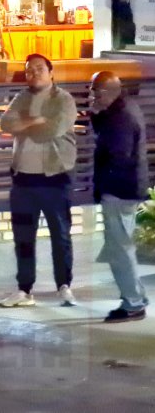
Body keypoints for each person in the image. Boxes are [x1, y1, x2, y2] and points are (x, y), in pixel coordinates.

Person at [0, 54, 78, 308]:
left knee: (60, 235)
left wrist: (25, 124)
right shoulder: (22, 97)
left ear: (51, 72)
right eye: (29, 70)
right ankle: (24, 289)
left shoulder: (63, 99)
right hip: (23, 179)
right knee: (23, 236)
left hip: (55, 177)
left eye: (39, 69)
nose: (34, 73)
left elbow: (52, 131)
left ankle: (64, 286)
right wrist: (36, 120)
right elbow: (5, 122)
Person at [89, 71, 149, 323]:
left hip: (119, 190)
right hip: (125, 188)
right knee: (121, 245)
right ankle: (136, 298)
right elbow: (107, 132)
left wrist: (104, 183)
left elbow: (118, 155)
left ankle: (133, 303)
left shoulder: (122, 117)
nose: (91, 95)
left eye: (93, 91)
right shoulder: (122, 109)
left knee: (119, 248)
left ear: (104, 91)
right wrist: (95, 115)